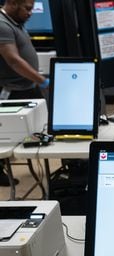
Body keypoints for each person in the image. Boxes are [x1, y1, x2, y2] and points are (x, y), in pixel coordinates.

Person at [0, 0, 49, 186]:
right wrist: (41, 80)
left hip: (28, 87)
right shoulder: (2, 25)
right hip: (12, 92)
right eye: (27, 9)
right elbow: (13, 61)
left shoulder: (16, 22)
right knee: (8, 137)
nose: (31, 13)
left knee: (41, 127)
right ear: (12, 3)